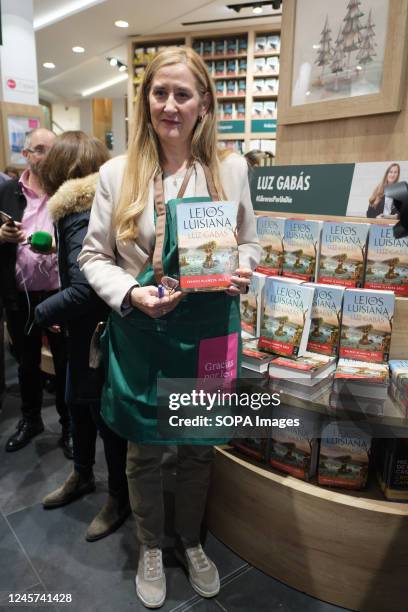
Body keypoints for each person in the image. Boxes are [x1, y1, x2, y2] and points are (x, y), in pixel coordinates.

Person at [79, 47, 260, 608]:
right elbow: (92, 257)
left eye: (183, 94)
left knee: (198, 447)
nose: (171, 105)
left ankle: (191, 541)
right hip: (143, 330)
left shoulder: (229, 169)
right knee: (145, 449)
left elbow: (249, 242)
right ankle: (152, 545)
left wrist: (243, 272)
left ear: (204, 103)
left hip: (208, 330)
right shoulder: (116, 173)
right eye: (160, 93)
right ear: (146, 100)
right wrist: (130, 292)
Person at [34, 131, 130, 541]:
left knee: (100, 416)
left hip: (93, 334)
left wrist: (41, 311)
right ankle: (86, 477)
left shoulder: (77, 209)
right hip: (94, 331)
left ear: (65, 168)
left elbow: (85, 288)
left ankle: (116, 497)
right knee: (80, 405)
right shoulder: (95, 203)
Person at [0, 128, 71, 456]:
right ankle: (31, 420)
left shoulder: (70, 193)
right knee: (27, 363)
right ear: (26, 154)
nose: (47, 156)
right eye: (40, 150)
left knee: (66, 362)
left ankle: (70, 426)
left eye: (53, 150)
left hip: (61, 295)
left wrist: (59, 247)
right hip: (21, 295)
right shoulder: (7, 192)